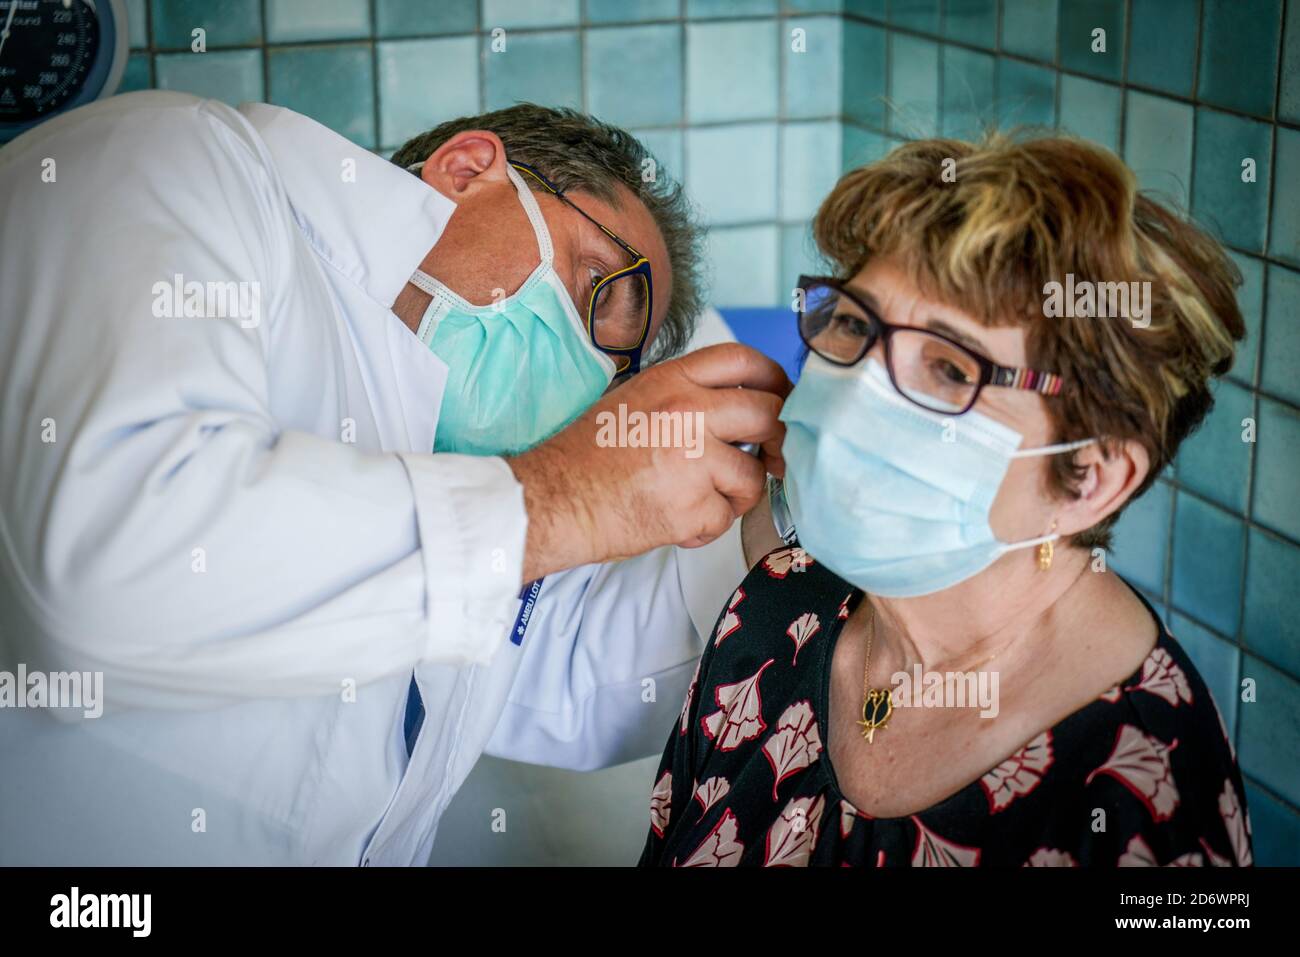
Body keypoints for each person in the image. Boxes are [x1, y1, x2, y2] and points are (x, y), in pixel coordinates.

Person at [0, 92, 788, 865]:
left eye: (616, 365)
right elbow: (116, 563)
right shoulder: (176, 162)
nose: (584, 362)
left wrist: (772, 536)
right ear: (467, 170)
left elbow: (566, 659)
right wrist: (555, 504)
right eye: (595, 286)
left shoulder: (466, 463)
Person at [640, 134, 1253, 867]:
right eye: (852, 324)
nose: (855, 394)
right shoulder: (776, 608)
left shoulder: (1145, 790)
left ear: (1091, 477)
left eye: (948, 367)